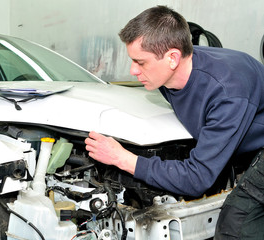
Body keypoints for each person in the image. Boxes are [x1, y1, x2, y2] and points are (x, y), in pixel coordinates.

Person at [85, 5, 264, 240]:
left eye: (140, 62)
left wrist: (122, 158)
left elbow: (197, 178)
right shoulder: (168, 73)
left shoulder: (227, 91)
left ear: (172, 58)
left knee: (235, 226)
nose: (132, 70)